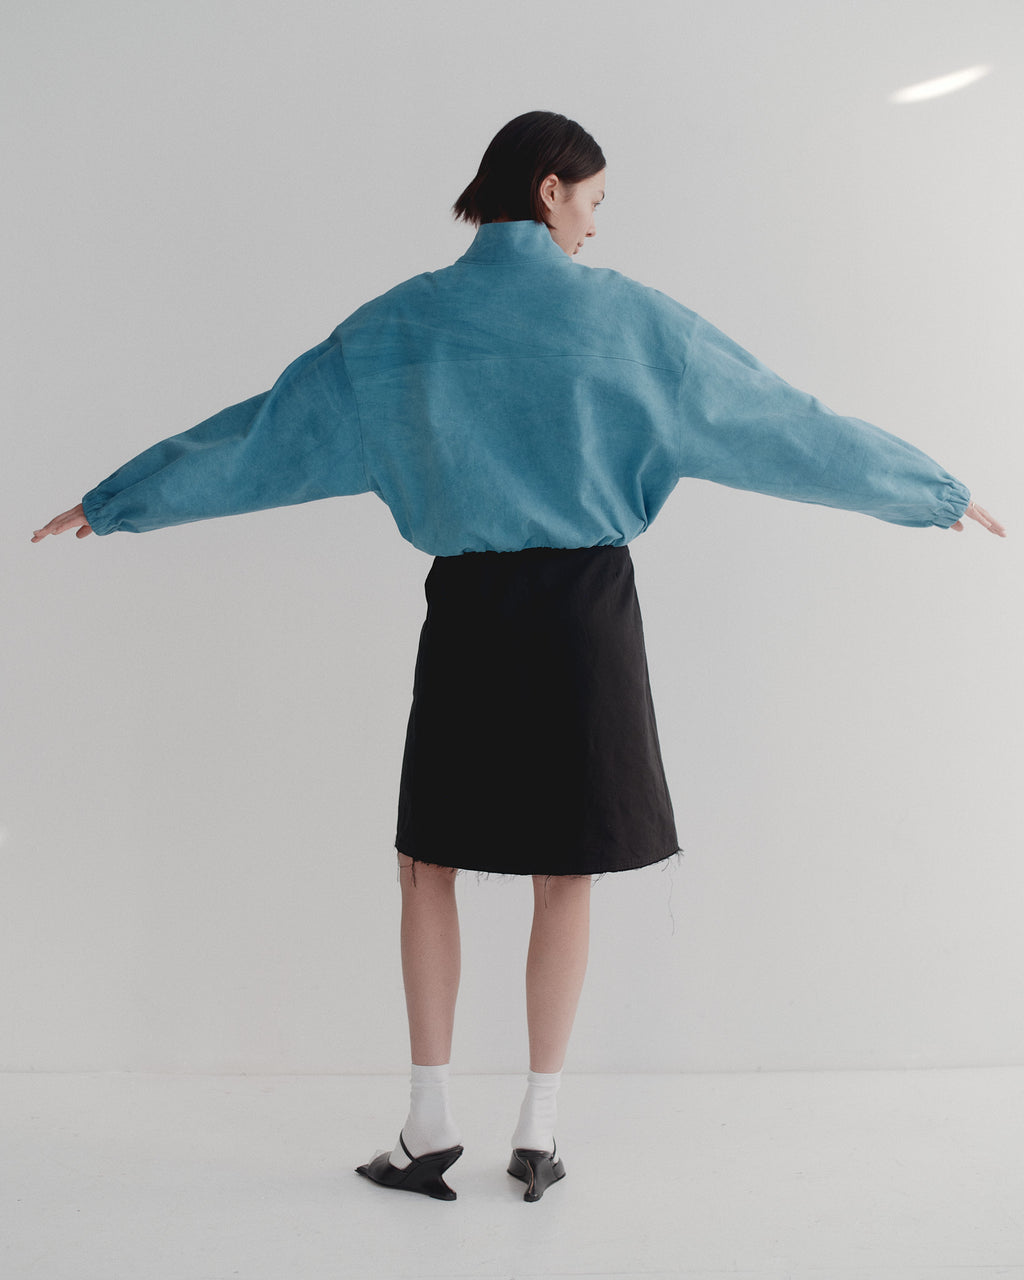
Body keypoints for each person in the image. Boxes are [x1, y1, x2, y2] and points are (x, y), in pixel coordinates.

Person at [33, 110, 1005, 1205]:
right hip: (587, 614)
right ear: (549, 190)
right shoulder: (635, 323)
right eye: (591, 201)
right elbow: (781, 422)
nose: (594, 227)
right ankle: (539, 1129)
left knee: (426, 864)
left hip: (473, 613)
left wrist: (119, 503)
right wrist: (927, 489)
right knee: (566, 871)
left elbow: (266, 437)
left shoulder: (401, 325)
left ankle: (428, 1118)